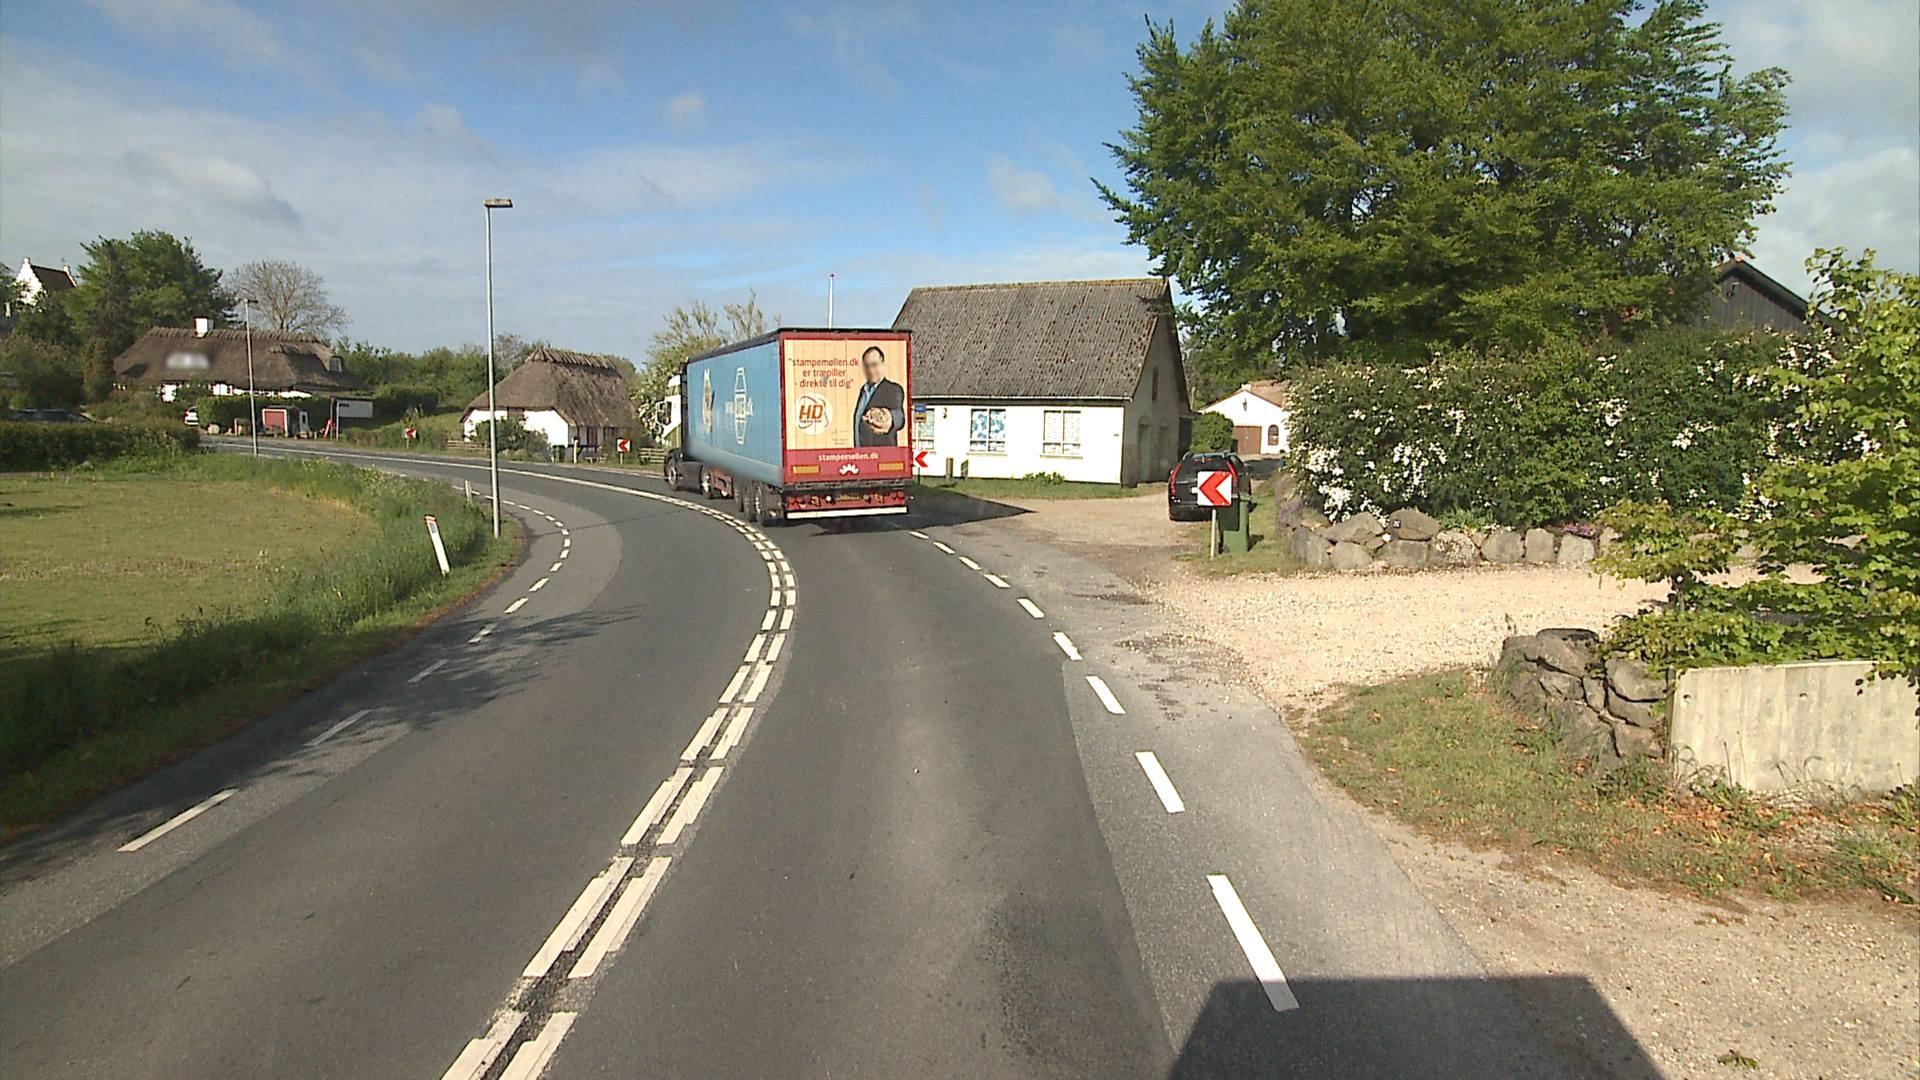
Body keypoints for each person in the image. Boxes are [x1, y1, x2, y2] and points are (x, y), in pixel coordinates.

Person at [853, 345, 905, 447]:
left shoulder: (893, 389)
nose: (870, 370)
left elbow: (899, 415)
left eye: (874, 365)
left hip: (882, 454)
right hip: (862, 454)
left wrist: (891, 419)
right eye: (867, 366)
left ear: (883, 364)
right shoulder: (863, 391)